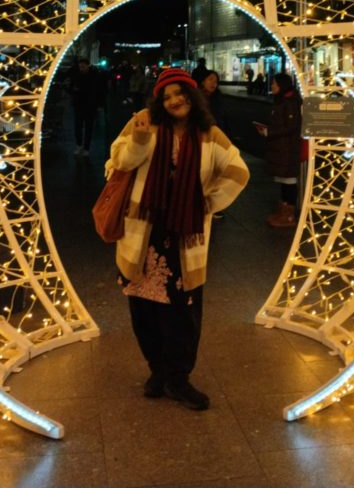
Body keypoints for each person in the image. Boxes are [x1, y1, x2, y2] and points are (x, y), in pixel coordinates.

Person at [107, 67, 249, 410]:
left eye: (179, 93)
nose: (174, 101)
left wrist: (207, 203)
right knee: (144, 310)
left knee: (183, 313)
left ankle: (179, 377)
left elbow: (238, 170)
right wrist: (140, 140)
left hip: (184, 236)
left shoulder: (209, 134)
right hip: (144, 234)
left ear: (192, 94)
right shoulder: (144, 123)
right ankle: (158, 371)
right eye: (166, 96)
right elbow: (117, 163)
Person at [254, 71, 301, 228]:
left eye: (274, 83)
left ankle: (288, 216)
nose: (272, 85)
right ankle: (283, 212)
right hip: (281, 149)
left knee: (289, 182)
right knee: (283, 180)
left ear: (282, 85)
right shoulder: (282, 101)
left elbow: (291, 127)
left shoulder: (290, 102)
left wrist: (269, 132)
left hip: (287, 149)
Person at [198, 69, 231, 219]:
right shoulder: (196, 98)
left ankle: (215, 206)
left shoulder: (218, 98)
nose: (213, 83)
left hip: (217, 139)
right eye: (210, 79)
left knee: (216, 173)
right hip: (200, 139)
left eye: (215, 81)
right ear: (203, 81)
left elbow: (223, 119)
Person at [66, 57, 103, 157]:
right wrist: (72, 90)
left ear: (87, 66)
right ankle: (79, 145)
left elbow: (99, 90)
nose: (81, 68)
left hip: (89, 105)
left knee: (88, 127)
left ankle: (86, 147)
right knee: (78, 126)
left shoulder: (94, 76)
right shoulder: (76, 75)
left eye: (83, 66)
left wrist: (99, 104)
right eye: (80, 66)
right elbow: (69, 87)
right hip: (79, 104)